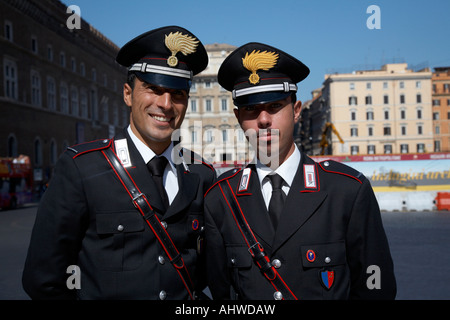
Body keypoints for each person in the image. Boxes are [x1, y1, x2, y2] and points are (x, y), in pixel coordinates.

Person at [22, 26, 216, 300]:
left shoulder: (200, 174)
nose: (165, 104)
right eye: (153, 88)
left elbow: (206, 271)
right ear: (128, 94)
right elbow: (43, 280)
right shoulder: (82, 168)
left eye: (178, 94)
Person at [204, 42, 396, 300]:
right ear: (239, 118)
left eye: (274, 107)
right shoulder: (221, 199)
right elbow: (222, 293)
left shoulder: (347, 191)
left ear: (296, 111)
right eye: (251, 109)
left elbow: (376, 289)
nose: (263, 120)